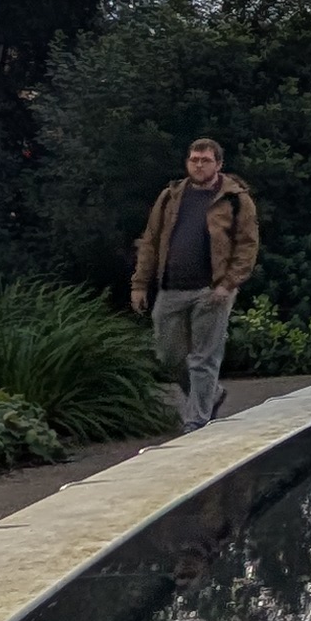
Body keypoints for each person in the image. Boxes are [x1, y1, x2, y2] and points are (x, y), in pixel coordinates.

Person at [130, 137, 261, 433]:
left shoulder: (235, 199)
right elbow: (150, 241)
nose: (199, 165)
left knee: (204, 358)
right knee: (169, 355)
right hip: (171, 288)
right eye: (194, 159)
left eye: (205, 160)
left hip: (211, 289)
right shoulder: (171, 196)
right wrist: (139, 284)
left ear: (218, 164)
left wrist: (228, 284)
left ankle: (197, 422)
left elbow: (247, 246)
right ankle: (211, 395)